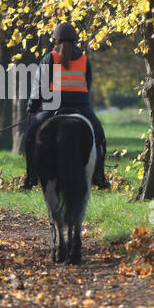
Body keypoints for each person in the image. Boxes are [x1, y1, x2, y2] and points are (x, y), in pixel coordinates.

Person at [20, 21, 108, 190]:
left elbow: (39, 86)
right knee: (99, 136)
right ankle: (99, 177)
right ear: (75, 40)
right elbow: (87, 83)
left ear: (55, 40)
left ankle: (30, 178)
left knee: (30, 137)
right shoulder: (83, 59)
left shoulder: (49, 58)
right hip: (80, 106)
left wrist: (32, 107)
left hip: (53, 107)